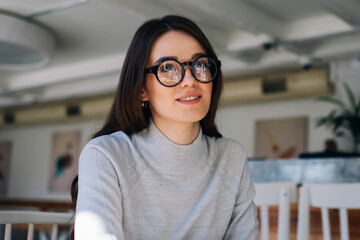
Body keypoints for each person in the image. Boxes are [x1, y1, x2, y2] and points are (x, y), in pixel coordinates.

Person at [72, 15, 259, 239]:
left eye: (200, 64)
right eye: (167, 67)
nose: (190, 80)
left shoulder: (231, 158)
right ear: (141, 89)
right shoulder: (105, 156)